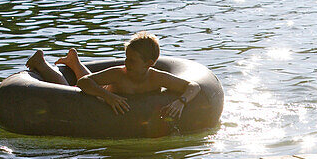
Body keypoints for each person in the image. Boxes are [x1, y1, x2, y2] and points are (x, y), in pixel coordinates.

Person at [26, 31, 200, 121]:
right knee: (69, 89)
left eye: (132, 61)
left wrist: (181, 101)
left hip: (105, 90)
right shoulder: (119, 73)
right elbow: (84, 82)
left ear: (149, 63)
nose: (127, 64)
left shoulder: (157, 77)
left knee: (97, 81)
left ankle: (74, 62)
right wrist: (107, 96)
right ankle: (41, 63)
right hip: (99, 97)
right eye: (126, 58)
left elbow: (194, 86)